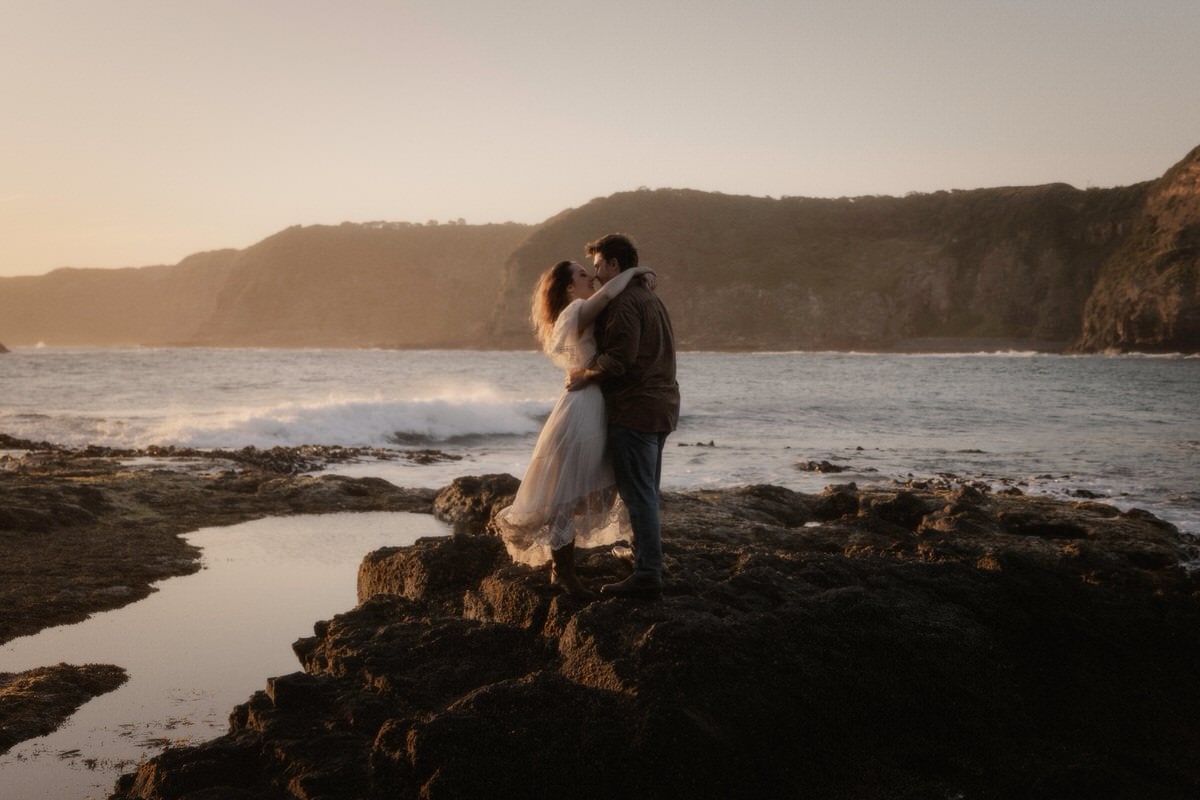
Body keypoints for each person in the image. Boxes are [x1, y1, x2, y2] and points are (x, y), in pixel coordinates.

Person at [494, 259, 656, 599]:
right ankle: (563, 573)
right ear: (569, 287)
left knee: (602, 484)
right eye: (584, 274)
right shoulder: (578, 309)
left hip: (594, 403)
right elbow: (608, 294)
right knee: (566, 492)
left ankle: (625, 556)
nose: (592, 278)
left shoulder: (582, 312)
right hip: (582, 408)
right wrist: (635, 273)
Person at [568, 233, 679, 599]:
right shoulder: (650, 296)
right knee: (646, 490)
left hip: (635, 408)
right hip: (661, 405)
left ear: (614, 264)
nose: (597, 275)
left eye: (599, 266)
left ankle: (648, 573)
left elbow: (620, 360)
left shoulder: (625, 303)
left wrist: (585, 374)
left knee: (638, 494)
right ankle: (644, 560)